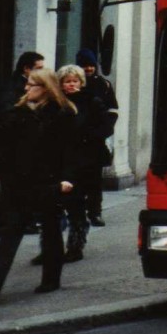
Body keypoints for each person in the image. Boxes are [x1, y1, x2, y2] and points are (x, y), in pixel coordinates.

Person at [0, 68, 77, 301]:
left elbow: (70, 151)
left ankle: (51, 279)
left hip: (48, 182)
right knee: (12, 231)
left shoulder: (62, 114)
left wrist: (67, 178)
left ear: (45, 88)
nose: (26, 88)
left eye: (32, 84)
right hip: (20, 183)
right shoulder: (17, 113)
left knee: (51, 230)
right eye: (28, 84)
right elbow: (4, 147)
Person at [0, 51, 45, 237]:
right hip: (12, 142)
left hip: (23, 143)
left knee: (22, 186)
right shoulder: (14, 87)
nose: (41, 72)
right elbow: (7, 114)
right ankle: (0, 225)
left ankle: (23, 222)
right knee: (10, 187)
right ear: (26, 69)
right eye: (38, 68)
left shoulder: (25, 85)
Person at [57, 64, 107, 261]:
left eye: (74, 81)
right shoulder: (57, 102)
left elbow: (105, 127)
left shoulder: (91, 101)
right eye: (67, 81)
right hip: (61, 160)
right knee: (54, 206)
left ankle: (75, 247)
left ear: (81, 82)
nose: (71, 85)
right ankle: (49, 249)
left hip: (85, 161)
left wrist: (87, 138)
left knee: (76, 204)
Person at [74, 49, 118, 227]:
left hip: (95, 142)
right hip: (76, 143)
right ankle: (77, 213)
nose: (89, 68)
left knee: (94, 181)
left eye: (91, 65)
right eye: (85, 65)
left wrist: (103, 131)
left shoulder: (103, 85)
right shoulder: (73, 83)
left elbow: (113, 111)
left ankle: (94, 212)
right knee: (76, 180)